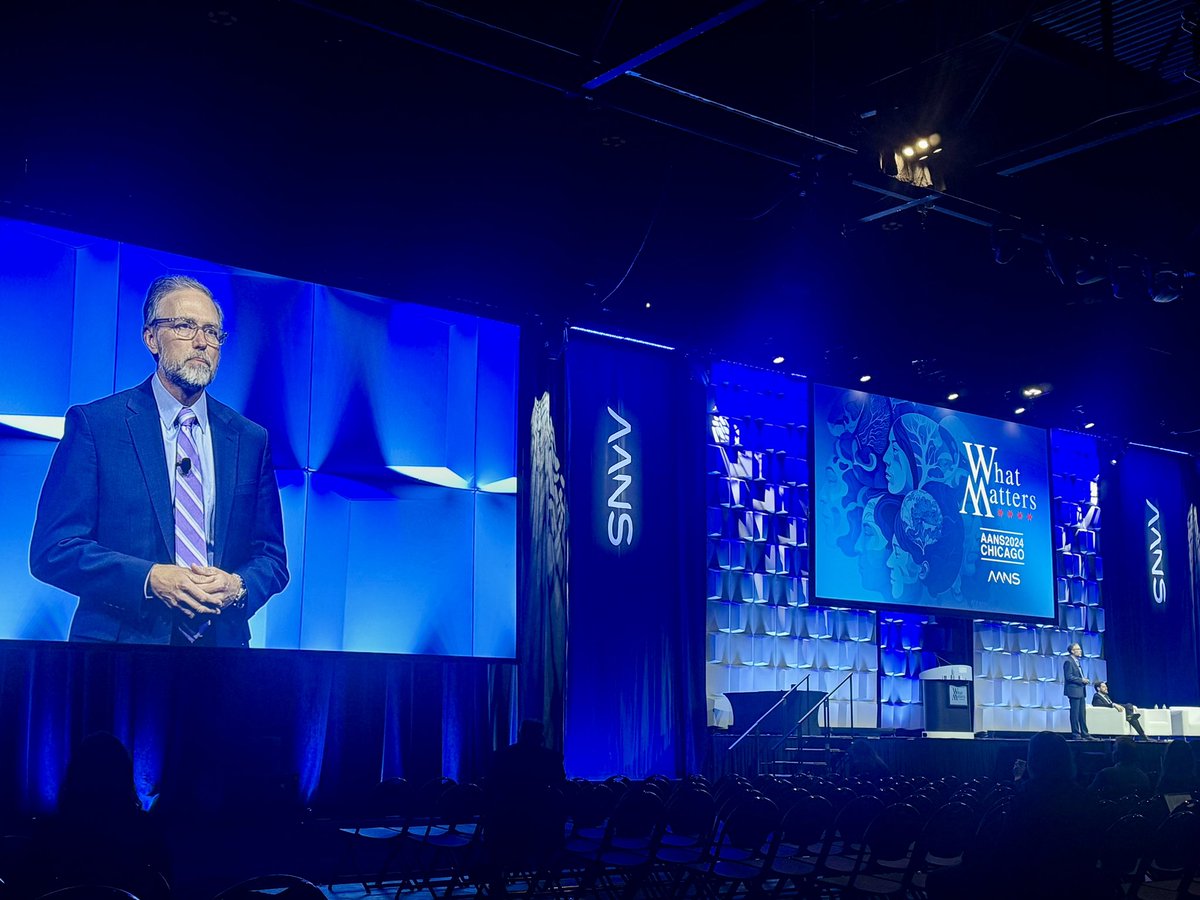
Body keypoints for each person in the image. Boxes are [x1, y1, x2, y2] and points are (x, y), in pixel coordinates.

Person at [30, 275, 288, 646]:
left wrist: (238, 586)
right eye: (185, 326)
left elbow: (271, 557)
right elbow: (54, 550)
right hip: (118, 653)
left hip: (222, 656)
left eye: (213, 332)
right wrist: (150, 580)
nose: (202, 342)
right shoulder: (97, 425)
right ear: (151, 338)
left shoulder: (249, 439)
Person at [4, 733, 170, 899]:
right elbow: (163, 887)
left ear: (75, 775)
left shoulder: (50, 833)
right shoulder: (145, 831)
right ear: (124, 778)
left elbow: (20, 888)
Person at [1063, 643, 1095, 740]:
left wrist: (1083, 680)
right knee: (1075, 714)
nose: (1080, 651)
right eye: (1078, 649)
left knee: (1082, 714)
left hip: (1080, 690)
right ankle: (1076, 734)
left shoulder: (1077, 662)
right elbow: (1069, 677)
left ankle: (1085, 733)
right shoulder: (1068, 662)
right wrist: (1081, 680)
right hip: (1073, 691)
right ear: (1072, 651)